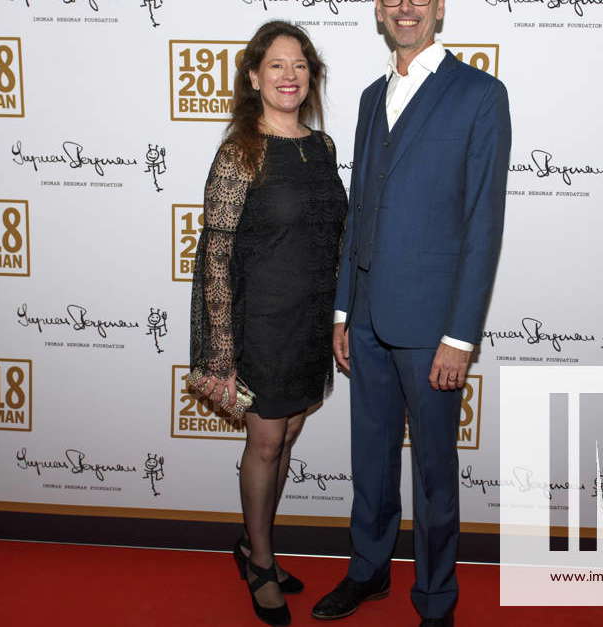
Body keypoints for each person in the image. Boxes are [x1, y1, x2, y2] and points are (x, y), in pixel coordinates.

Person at [311, 1, 512, 626]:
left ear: (439, 8)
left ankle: (435, 600)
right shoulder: (372, 97)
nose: (406, 7)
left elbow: (484, 224)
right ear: (378, 8)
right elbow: (360, 210)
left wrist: (460, 335)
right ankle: (368, 571)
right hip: (366, 316)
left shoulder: (481, 94)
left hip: (432, 326)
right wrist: (343, 308)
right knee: (368, 458)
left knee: (433, 469)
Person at [188, 20, 347, 627]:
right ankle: (259, 561)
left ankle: (255, 544)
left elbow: (333, 243)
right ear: (254, 78)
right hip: (259, 326)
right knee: (265, 441)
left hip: (309, 323)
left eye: (300, 65)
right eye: (276, 65)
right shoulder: (240, 152)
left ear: (311, 78)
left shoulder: (322, 147)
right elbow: (216, 256)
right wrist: (221, 353)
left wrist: (340, 317)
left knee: (288, 438)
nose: (289, 75)